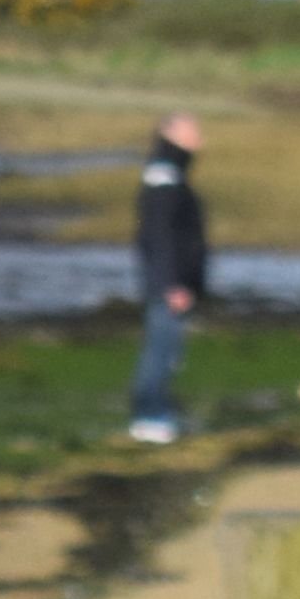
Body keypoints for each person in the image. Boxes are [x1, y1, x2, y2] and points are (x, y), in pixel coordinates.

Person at [128, 114, 207, 436]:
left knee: (169, 352)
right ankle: (149, 416)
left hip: (175, 283)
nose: (199, 137)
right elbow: (159, 236)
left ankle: (159, 412)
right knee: (160, 351)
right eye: (191, 130)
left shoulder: (174, 172)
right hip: (168, 286)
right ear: (171, 133)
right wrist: (172, 284)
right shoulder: (164, 176)